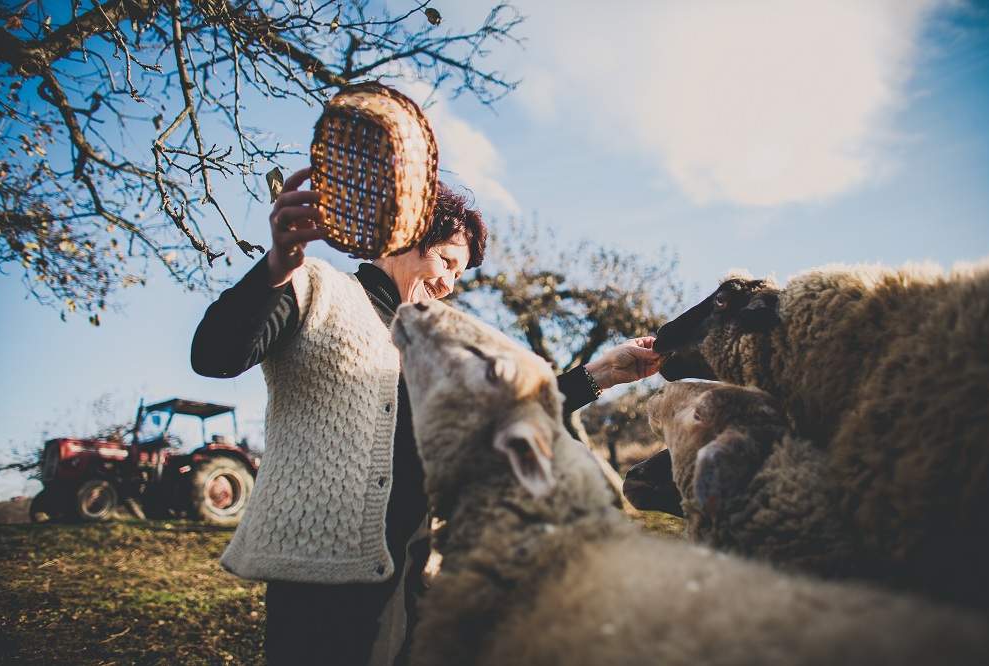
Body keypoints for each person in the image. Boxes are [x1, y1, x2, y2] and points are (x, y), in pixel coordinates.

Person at [191, 167, 661, 665]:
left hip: (418, 575)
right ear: (406, 234)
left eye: (459, 275)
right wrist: (278, 265)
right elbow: (216, 354)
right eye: (446, 261)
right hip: (321, 575)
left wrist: (601, 373)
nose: (448, 284)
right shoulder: (316, 290)